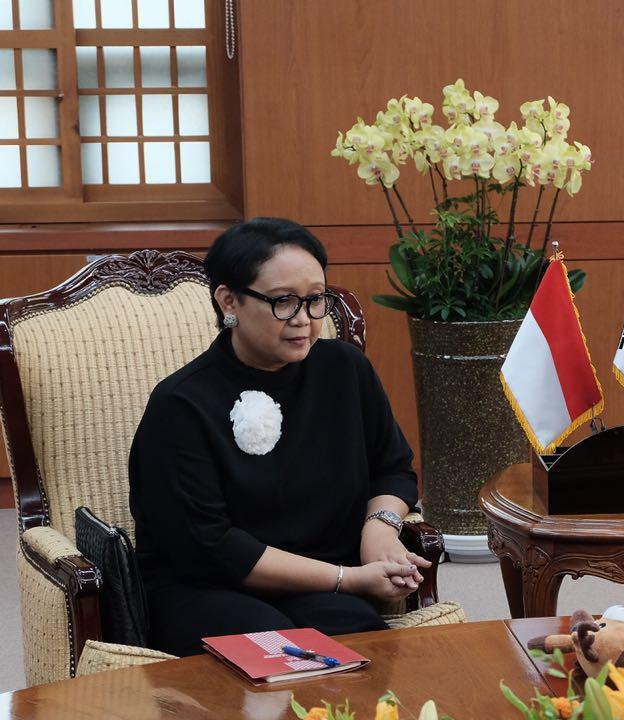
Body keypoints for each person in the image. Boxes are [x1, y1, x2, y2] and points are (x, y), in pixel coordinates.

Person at [130, 217, 431, 656]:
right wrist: (347, 578)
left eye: (314, 300)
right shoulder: (181, 404)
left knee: (364, 648)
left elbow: (393, 469)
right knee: (278, 652)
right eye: (284, 302)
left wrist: (380, 528)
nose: (304, 320)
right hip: (205, 589)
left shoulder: (345, 370)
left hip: (318, 583)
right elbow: (214, 548)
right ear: (228, 299)